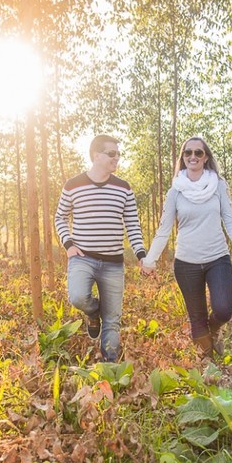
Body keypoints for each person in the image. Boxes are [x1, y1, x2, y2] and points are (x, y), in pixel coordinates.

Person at [141, 136, 232, 359]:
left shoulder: (218, 185)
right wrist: (149, 260)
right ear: (183, 157)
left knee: (223, 310)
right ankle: (208, 366)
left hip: (217, 258)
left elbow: (229, 218)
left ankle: (214, 330)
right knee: (196, 317)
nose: (193, 157)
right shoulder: (175, 192)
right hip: (186, 263)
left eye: (198, 153)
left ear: (206, 157)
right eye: (188, 153)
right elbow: (163, 229)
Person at [55, 135, 148, 362]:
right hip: (82, 258)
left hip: (113, 264)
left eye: (118, 154)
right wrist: (68, 244)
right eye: (112, 154)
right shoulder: (73, 185)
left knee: (113, 319)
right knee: (77, 297)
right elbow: (60, 217)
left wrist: (141, 254)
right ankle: (92, 311)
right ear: (96, 156)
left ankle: (110, 367)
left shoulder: (124, 188)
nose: (117, 158)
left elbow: (133, 225)